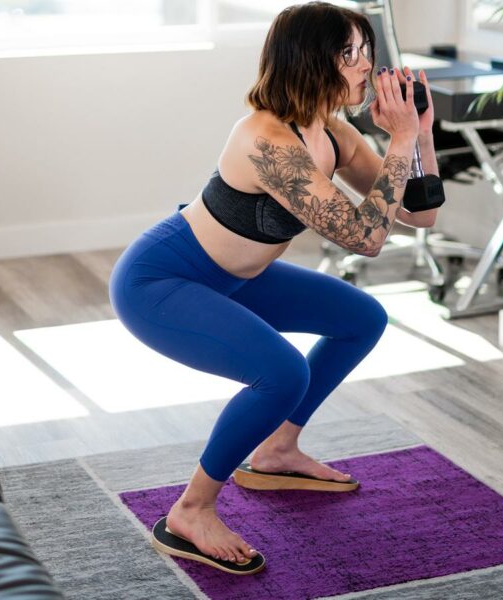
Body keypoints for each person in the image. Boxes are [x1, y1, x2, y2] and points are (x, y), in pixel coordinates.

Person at [109, 1, 440, 575]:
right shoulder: (263, 138)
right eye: (350, 53)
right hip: (162, 281)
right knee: (282, 373)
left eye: (366, 51)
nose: (366, 65)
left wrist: (421, 134)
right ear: (311, 59)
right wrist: (398, 139)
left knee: (361, 319)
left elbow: (420, 215)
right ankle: (191, 511)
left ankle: (277, 451)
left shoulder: (333, 131)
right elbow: (365, 239)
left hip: (238, 278)